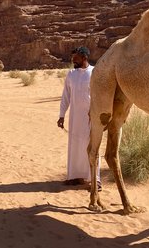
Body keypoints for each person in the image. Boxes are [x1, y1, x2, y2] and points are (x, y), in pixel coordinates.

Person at [57, 46, 101, 189]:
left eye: (75, 58)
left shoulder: (94, 72)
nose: (73, 60)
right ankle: (74, 176)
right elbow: (66, 96)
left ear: (84, 58)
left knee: (92, 147)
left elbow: (99, 96)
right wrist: (62, 115)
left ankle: (96, 179)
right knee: (75, 146)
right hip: (75, 118)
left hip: (91, 117)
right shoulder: (70, 74)